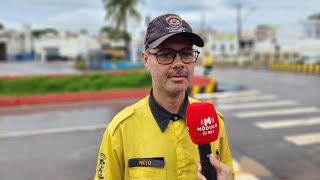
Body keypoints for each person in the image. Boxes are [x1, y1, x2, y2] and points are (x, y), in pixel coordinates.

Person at [94, 13, 235, 180]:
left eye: (187, 53)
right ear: (146, 59)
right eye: (166, 54)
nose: (179, 63)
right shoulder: (120, 130)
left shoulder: (212, 121)